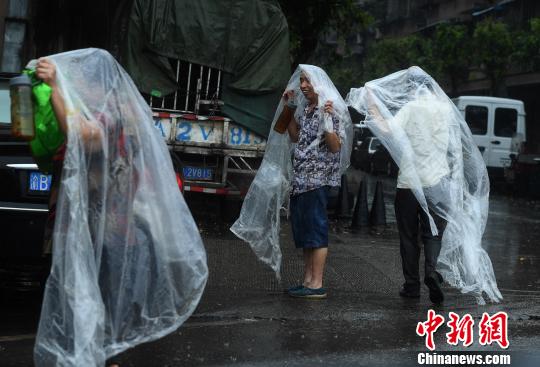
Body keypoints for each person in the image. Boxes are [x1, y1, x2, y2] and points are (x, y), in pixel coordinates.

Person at [365, 72, 449, 304]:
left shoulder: (411, 108)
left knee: (409, 237)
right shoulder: (446, 109)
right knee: (433, 233)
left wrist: (372, 104)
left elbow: (388, 130)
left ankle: (412, 286)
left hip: (409, 184)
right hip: (438, 182)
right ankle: (431, 272)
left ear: (413, 89)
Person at [281, 71, 343, 299]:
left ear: (319, 84)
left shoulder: (330, 109)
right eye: (301, 81)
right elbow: (296, 137)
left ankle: (316, 284)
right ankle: (307, 281)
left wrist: (327, 121)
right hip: (301, 180)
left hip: (317, 180)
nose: (303, 86)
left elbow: (335, 146)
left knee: (316, 228)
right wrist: (288, 108)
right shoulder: (306, 110)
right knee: (306, 230)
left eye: (308, 81)